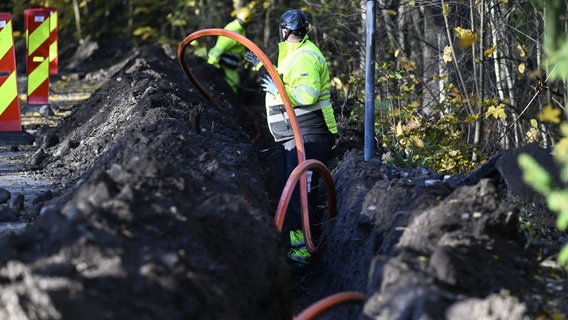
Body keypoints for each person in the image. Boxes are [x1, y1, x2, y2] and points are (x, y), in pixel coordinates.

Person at [246, 9, 338, 265]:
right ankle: (298, 243)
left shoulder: (306, 56)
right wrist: (264, 67)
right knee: (295, 188)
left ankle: (303, 250)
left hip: (308, 134)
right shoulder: (295, 54)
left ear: (285, 30)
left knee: (301, 192)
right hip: (297, 135)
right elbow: (287, 79)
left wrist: (279, 90)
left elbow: (306, 95)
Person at [207, 7, 254, 93]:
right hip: (225, 67)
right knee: (232, 87)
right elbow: (219, 48)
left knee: (235, 85)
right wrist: (212, 65)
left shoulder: (239, 29)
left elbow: (239, 48)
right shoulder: (234, 30)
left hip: (232, 67)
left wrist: (245, 61)